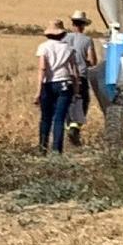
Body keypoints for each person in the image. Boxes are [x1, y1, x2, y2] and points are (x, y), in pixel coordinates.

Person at [35, 19, 81, 155]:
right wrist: (77, 90)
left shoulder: (43, 47)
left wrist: (38, 91)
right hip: (65, 85)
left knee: (45, 118)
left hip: (48, 84)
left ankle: (42, 148)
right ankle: (56, 150)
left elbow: (42, 68)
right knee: (59, 119)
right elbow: (74, 70)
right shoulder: (68, 48)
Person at [64, 10, 99, 146]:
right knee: (83, 103)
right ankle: (75, 129)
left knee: (67, 103)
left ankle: (69, 129)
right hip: (81, 76)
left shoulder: (64, 38)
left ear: (72, 23)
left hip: (65, 76)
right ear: (84, 25)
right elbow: (93, 60)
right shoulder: (87, 40)